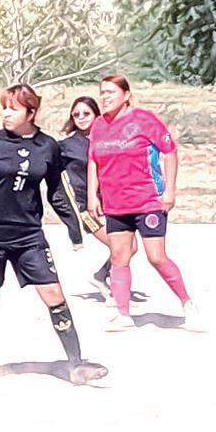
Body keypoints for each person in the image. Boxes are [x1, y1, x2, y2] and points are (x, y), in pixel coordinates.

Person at [0, 84, 108, 387]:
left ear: (31, 112)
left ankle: (75, 365)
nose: (5, 114)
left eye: (13, 109)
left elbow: (59, 190)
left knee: (55, 295)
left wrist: (75, 227)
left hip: (28, 235)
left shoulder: (47, 147)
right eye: (4, 107)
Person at [87, 75, 205, 332]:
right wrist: (91, 195)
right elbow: (93, 160)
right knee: (119, 257)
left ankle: (188, 304)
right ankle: (123, 313)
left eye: (110, 92)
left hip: (147, 201)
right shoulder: (98, 126)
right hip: (115, 203)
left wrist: (170, 190)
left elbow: (170, 151)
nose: (104, 97)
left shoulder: (144, 120)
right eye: (102, 92)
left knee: (156, 257)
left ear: (126, 95)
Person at [59, 96, 136, 303]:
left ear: (96, 115)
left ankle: (101, 276)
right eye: (76, 114)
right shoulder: (65, 146)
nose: (81, 117)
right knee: (120, 247)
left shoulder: (107, 141)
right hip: (85, 207)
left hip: (112, 203)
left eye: (86, 113)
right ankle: (115, 293)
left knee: (131, 247)